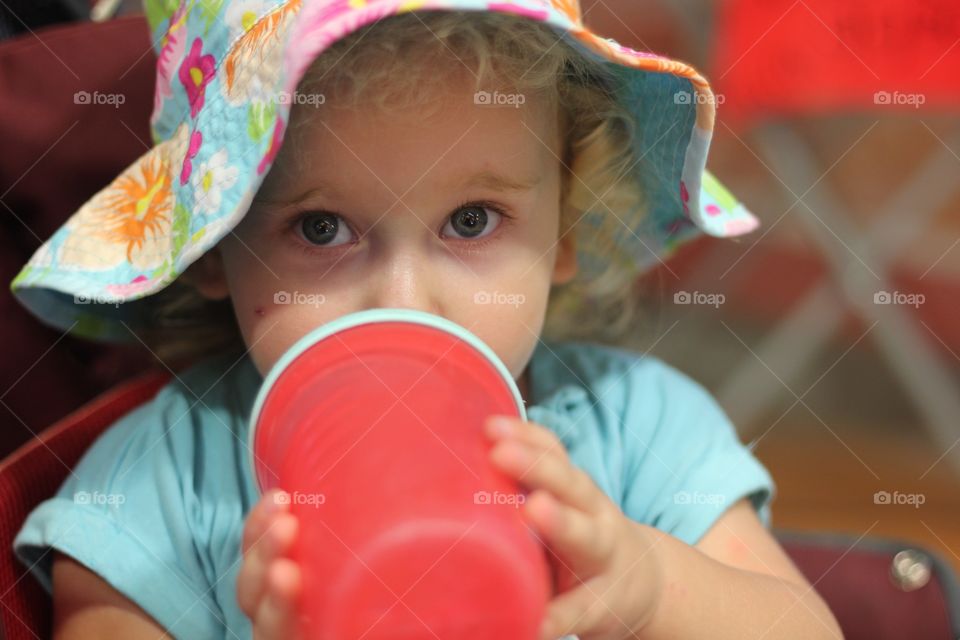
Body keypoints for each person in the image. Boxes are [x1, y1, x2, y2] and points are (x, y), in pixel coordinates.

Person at [10, 0, 841, 638]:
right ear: (212, 244)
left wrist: (653, 586)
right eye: (322, 228)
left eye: (472, 220)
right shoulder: (158, 485)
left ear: (565, 229)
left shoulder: (637, 427)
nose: (406, 299)